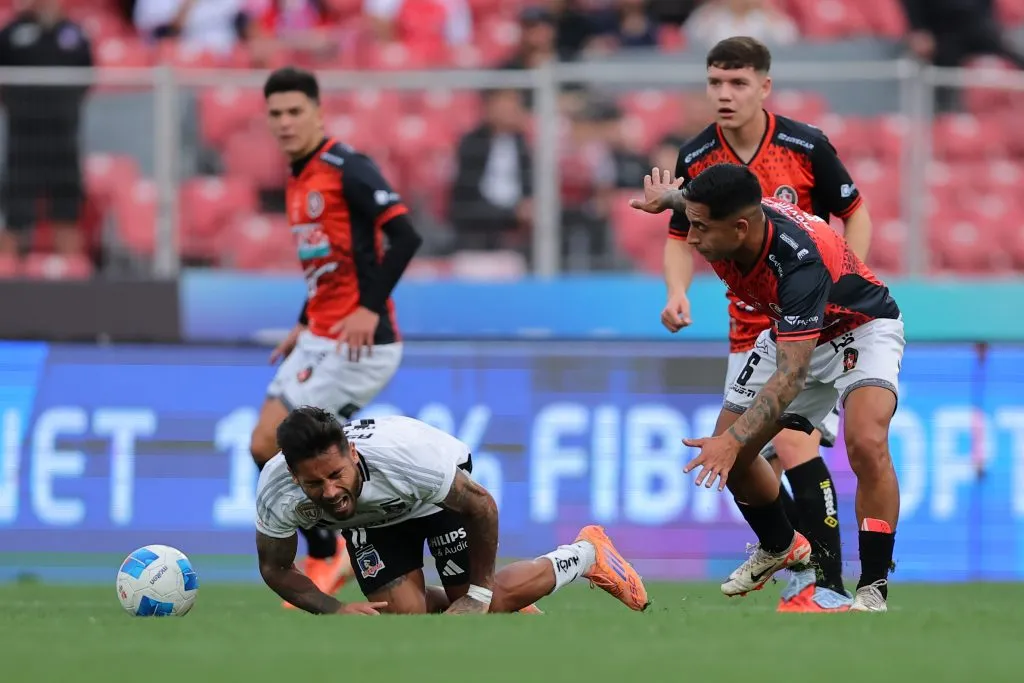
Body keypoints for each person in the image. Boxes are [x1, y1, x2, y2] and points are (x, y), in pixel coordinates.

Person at [655, 36, 875, 613]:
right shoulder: (697, 156)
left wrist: (844, 281)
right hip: (744, 325)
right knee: (740, 455)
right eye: (714, 83)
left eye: (738, 83)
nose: (724, 95)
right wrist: (677, 291)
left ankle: (826, 588)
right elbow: (680, 236)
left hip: (807, 318)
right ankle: (793, 565)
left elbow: (855, 213)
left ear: (764, 87)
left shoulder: (806, 145)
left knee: (791, 440)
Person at [631, 163, 903, 613]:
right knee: (732, 461)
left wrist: (734, 440)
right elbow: (702, 212)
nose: (692, 239)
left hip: (860, 329)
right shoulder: (730, 223)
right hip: (791, 332)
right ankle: (780, 544)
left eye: (699, 227)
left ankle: (872, 587)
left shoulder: (798, 265)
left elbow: (792, 376)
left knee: (866, 443)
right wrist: (672, 202)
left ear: (739, 229)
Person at [250, 66, 423, 608]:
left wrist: (368, 308)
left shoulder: (346, 167)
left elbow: (405, 236)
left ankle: (331, 552)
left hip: (359, 342)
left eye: (294, 111)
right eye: (275, 113)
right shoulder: (298, 176)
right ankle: (332, 548)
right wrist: (305, 316)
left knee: (291, 448)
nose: (284, 122)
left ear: (318, 113)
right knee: (263, 443)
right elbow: (328, 261)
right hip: (320, 334)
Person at [255, 407, 652, 615]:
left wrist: (479, 596)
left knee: (481, 602)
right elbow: (275, 568)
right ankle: (506, 600)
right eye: (313, 484)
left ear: (353, 453)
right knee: (399, 615)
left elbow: (482, 506)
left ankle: (585, 554)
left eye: (336, 475)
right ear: (292, 474)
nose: (330, 492)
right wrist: (336, 610)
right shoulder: (276, 489)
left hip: (432, 497)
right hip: (374, 517)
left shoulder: (407, 459)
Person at [0, 0, 92, 259]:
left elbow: (88, 76)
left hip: (63, 140)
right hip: (22, 141)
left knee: (66, 215)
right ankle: (5, 283)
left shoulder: (73, 34)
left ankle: (74, 285)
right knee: (15, 218)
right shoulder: (12, 33)